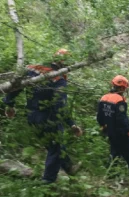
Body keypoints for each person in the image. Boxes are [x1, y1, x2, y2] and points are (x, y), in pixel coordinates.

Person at [3, 48, 83, 184]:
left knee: (54, 144)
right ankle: (47, 181)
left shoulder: (33, 70)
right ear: (65, 65)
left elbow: (16, 85)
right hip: (48, 119)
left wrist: (9, 104)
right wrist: (71, 124)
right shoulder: (59, 80)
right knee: (55, 148)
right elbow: (60, 106)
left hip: (31, 116)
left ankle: (69, 167)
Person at [97, 75, 129, 177]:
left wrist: (103, 125)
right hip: (120, 131)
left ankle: (111, 172)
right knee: (128, 151)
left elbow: (100, 115)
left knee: (114, 149)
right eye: (124, 88)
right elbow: (121, 118)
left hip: (109, 130)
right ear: (122, 88)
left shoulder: (104, 98)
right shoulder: (119, 101)